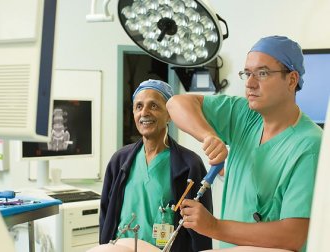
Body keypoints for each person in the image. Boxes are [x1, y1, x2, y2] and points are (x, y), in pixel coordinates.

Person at [166, 36, 323, 251]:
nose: (249, 83)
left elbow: (292, 235)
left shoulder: (310, 145)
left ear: (291, 79)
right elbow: (176, 104)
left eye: (262, 73)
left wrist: (213, 226)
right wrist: (208, 136)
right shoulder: (245, 115)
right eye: (247, 73)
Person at [99, 79, 213, 251]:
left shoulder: (190, 164)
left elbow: (202, 228)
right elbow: (106, 215)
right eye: (138, 106)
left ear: (169, 115)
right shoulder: (120, 161)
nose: (144, 112)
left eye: (153, 106)